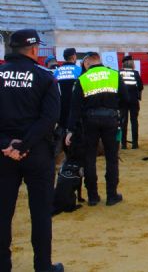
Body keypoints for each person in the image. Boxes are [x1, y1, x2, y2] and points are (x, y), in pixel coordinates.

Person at [0, 29, 64, 272]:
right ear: (35, 50)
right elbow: (50, 118)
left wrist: (6, 145)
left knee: (2, 213)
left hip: (3, 153)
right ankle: (43, 266)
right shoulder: (45, 76)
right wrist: (25, 144)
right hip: (36, 152)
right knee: (40, 213)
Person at [66, 51, 128, 207]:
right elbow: (126, 98)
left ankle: (93, 196)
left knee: (89, 158)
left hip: (90, 121)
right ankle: (112, 195)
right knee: (111, 158)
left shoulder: (82, 79)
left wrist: (70, 130)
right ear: (99, 60)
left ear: (87, 63)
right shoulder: (114, 75)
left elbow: (75, 108)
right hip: (111, 120)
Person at [53, 48, 82, 134]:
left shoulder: (56, 71)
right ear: (73, 57)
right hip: (75, 105)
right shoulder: (79, 70)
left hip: (60, 106)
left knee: (62, 129)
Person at [119, 56, 143, 149]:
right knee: (134, 121)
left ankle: (123, 144)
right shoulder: (135, 73)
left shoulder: (119, 73)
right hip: (133, 100)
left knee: (123, 122)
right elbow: (140, 86)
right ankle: (135, 144)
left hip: (122, 101)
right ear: (132, 63)